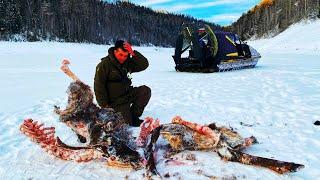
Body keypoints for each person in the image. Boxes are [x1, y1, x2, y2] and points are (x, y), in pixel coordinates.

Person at [94, 40, 151, 127]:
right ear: (115, 51)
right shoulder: (104, 65)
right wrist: (104, 106)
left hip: (127, 94)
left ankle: (134, 116)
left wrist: (133, 53)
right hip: (115, 101)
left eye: (125, 55)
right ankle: (127, 116)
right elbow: (99, 86)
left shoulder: (127, 63)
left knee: (145, 91)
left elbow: (144, 64)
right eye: (120, 55)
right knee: (125, 123)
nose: (123, 58)